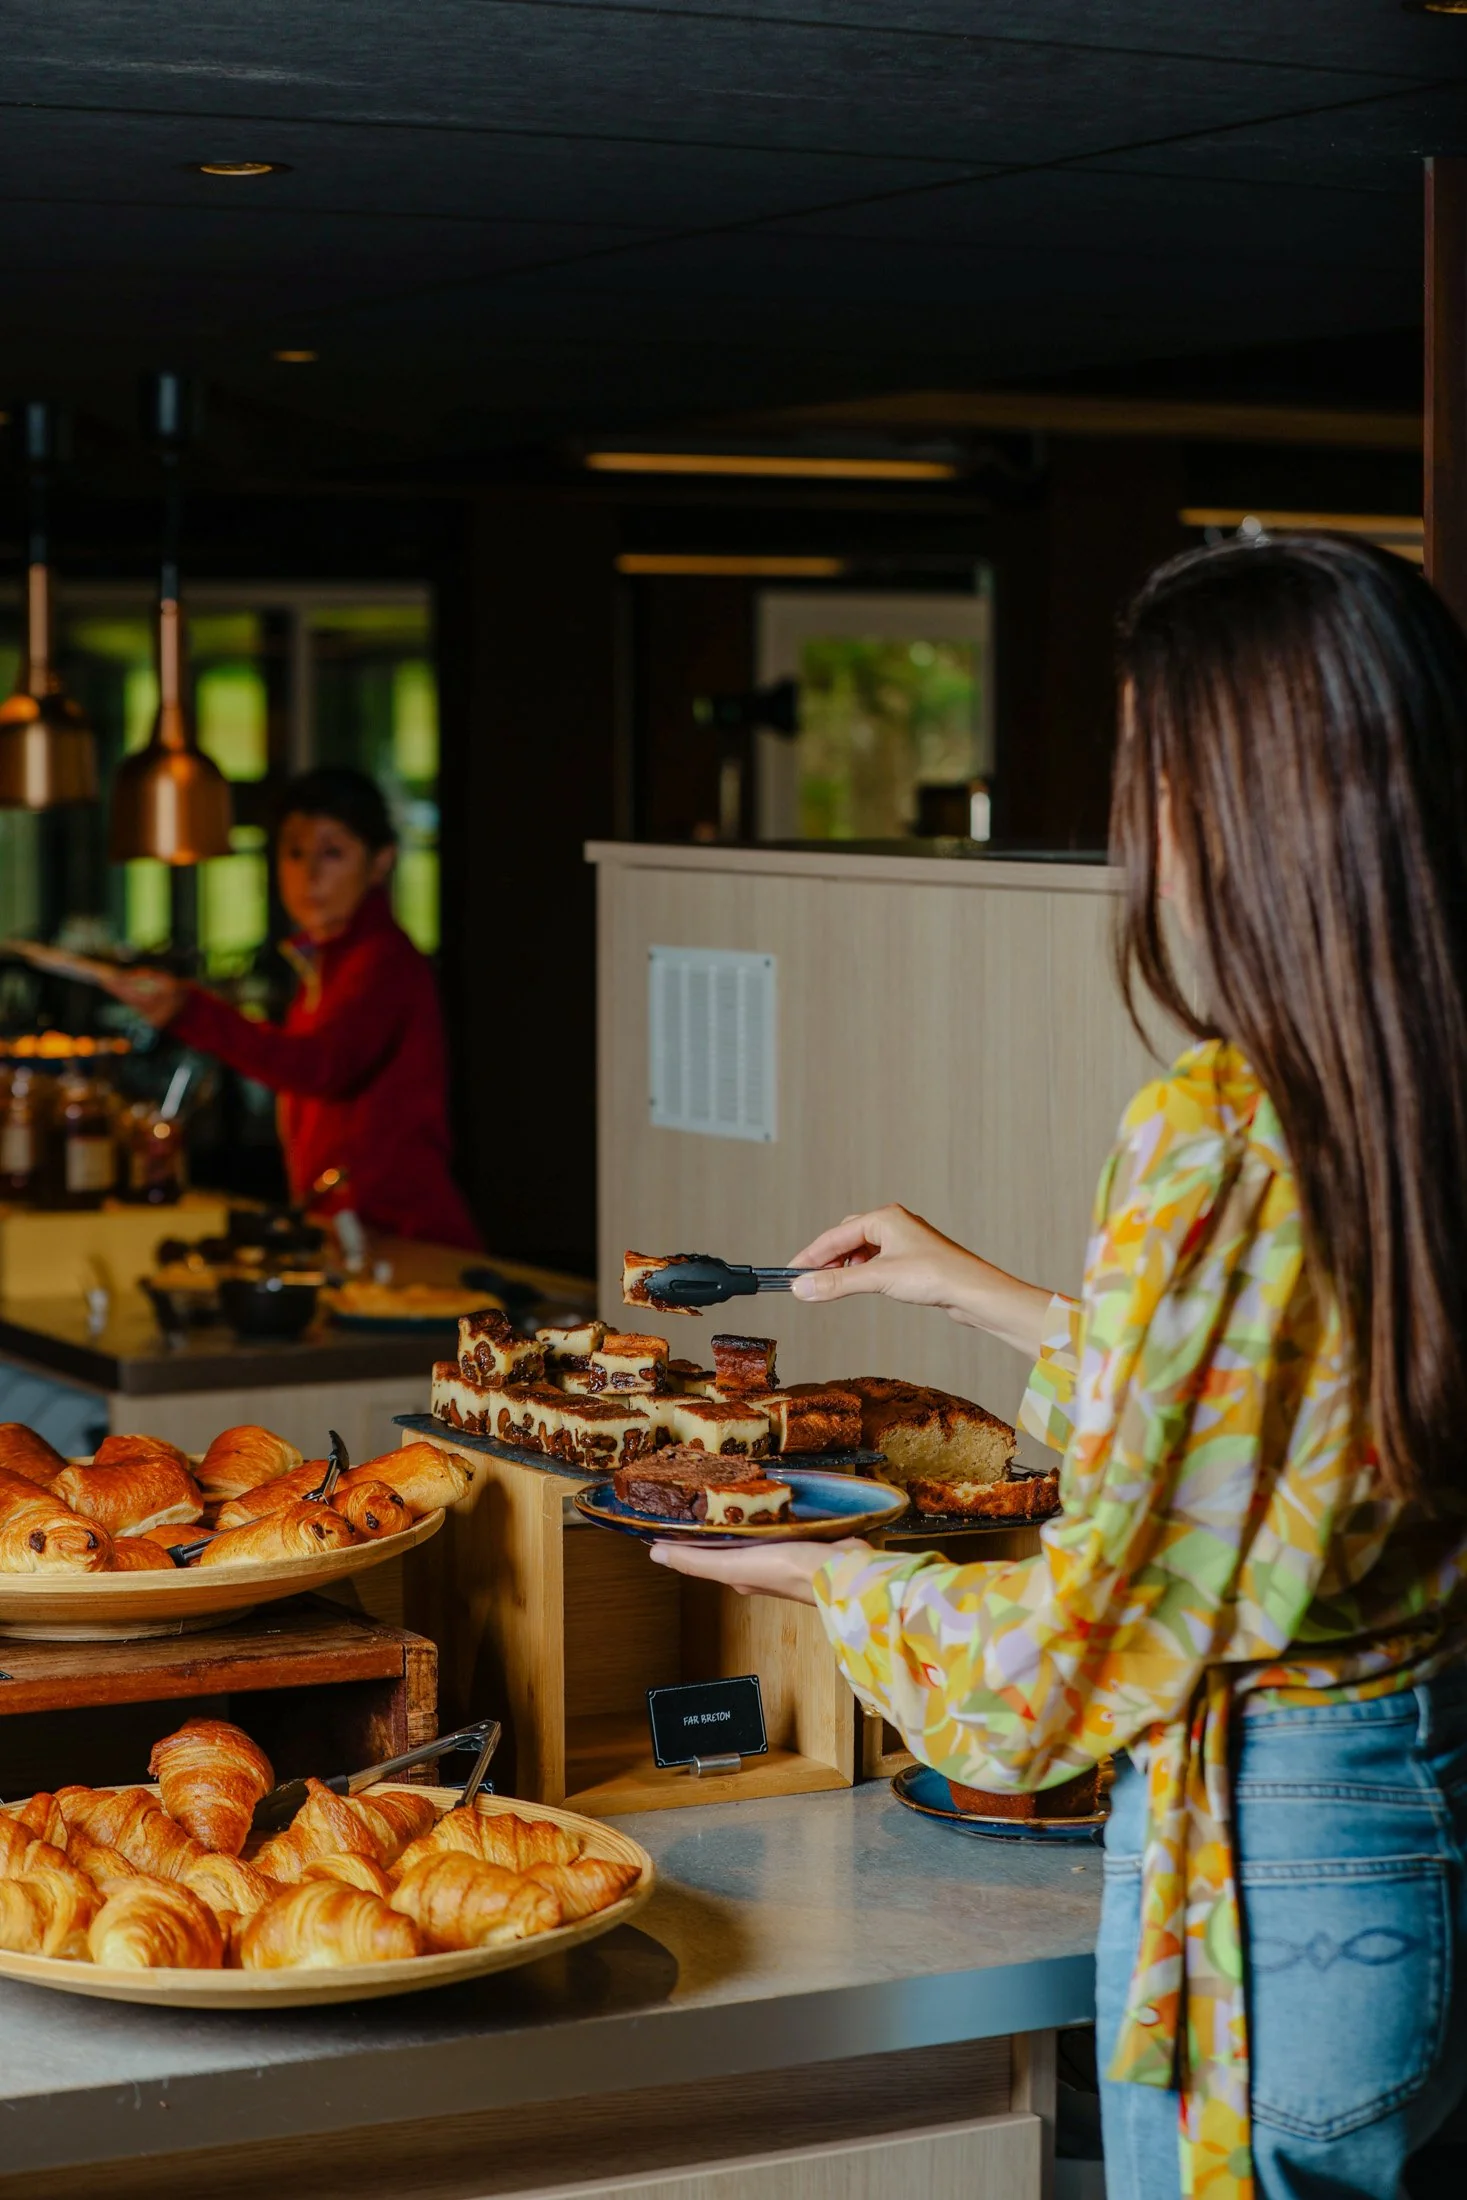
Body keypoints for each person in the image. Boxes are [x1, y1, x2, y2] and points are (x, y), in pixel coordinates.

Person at [655, 537, 1467, 2200]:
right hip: (1413, 1843)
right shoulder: (1415, 1096)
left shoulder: (1224, 1134)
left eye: (1147, 767)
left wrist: (833, 1581)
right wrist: (986, 1299)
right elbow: (1302, 1427)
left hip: (1271, 1869)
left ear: (1239, 797)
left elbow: (1081, 1654)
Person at [105, 766, 480, 1250]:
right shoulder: (322, 965)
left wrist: (192, 1012)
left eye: (333, 853)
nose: (309, 875)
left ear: (381, 862)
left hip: (405, 1234)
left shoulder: (383, 960)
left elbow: (322, 1066)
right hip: (353, 1231)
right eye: (294, 852)